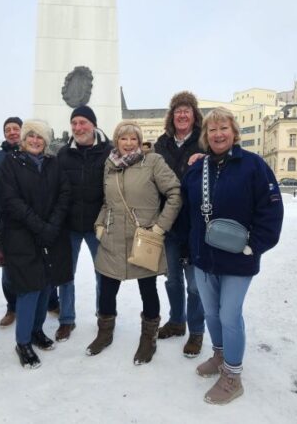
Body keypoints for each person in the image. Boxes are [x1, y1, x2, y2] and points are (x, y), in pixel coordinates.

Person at [181, 107, 283, 405]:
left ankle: (233, 376)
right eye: (212, 130)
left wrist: (256, 245)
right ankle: (220, 355)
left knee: (229, 314)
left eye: (223, 128)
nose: (218, 134)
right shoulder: (197, 169)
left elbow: (271, 210)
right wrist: (186, 248)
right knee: (211, 313)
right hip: (204, 257)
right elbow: (187, 212)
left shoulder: (254, 166)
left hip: (239, 258)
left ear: (234, 132)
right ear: (205, 136)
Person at [87, 121, 182, 365]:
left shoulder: (153, 162)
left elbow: (174, 193)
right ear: (116, 141)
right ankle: (104, 332)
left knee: (147, 289)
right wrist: (99, 225)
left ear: (140, 142)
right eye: (123, 138)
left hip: (143, 239)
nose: (128, 144)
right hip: (112, 237)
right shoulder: (110, 165)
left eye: (133, 139)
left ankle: (148, 339)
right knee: (107, 288)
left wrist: (161, 227)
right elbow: (108, 202)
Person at [0, 119, 73, 369]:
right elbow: (11, 200)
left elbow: (64, 194)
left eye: (40, 137)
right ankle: (23, 341)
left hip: (52, 235)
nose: (35, 140)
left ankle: (37, 331)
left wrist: (52, 226)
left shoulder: (53, 164)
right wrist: (40, 226)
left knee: (46, 285)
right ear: (23, 139)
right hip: (22, 236)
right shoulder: (11, 163)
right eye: (30, 136)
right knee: (29, 289)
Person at [154, 91, 206, 357]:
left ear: (194, 115)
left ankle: (196, 331)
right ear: (171, 116)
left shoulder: (204, 141)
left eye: (187, 110)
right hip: (170, 223)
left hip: (197, 224)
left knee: (196, 285)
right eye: (178, 111)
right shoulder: (161, 144)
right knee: (172, 279)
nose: (182, 115)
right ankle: (177, 321)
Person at [55, 105, 112, 342]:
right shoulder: (63, 154)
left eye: (83, 123)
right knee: (66, 274)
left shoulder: (109, 151)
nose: (78, 128)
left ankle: (104, 315)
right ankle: (67, 319)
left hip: (97, 225)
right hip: (69, 226)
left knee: (103, 273)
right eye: (74, 123)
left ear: (93, 125)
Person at [0, 116, 23, 328]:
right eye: (7, 129)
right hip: (6, 221)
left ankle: (50, 302)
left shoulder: (34, 152)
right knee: (8, 269)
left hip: (32, 219)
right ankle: (12, 307)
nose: (12, 132)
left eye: (15, 128)